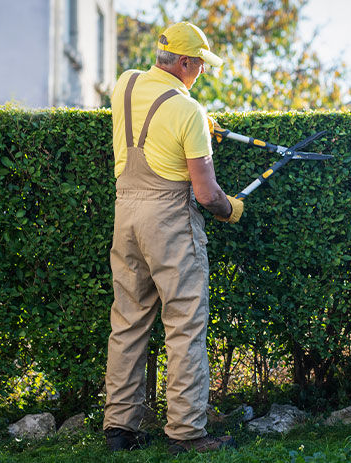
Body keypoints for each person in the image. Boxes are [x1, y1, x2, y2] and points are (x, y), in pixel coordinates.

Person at [103, 22, 244, 455]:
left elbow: (156, 112)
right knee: (184, 322)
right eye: (200, 63)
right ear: (184, 62)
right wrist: (231, 209)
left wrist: (200, 120)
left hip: (125, 214)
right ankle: (186, 432)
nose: (203, 70)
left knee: (127, 319)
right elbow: (206, 194)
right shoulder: (189, 112)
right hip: (168, 219)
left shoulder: (124, 85)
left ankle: (119, 429)